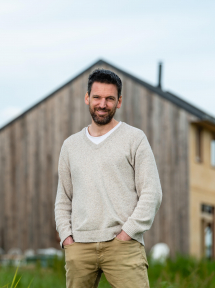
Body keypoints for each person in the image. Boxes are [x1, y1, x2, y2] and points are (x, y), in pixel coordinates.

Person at [54, 69, 162, 288]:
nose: (102, 104)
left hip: (123, 245)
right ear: (87, 98)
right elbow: (63, 198)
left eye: (109, 98)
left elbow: (152, 193)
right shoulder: (70, 146)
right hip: (80, 248)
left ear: (119, 102)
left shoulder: (135, 139)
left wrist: (127, 234)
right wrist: (67, 238)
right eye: (97, 97)